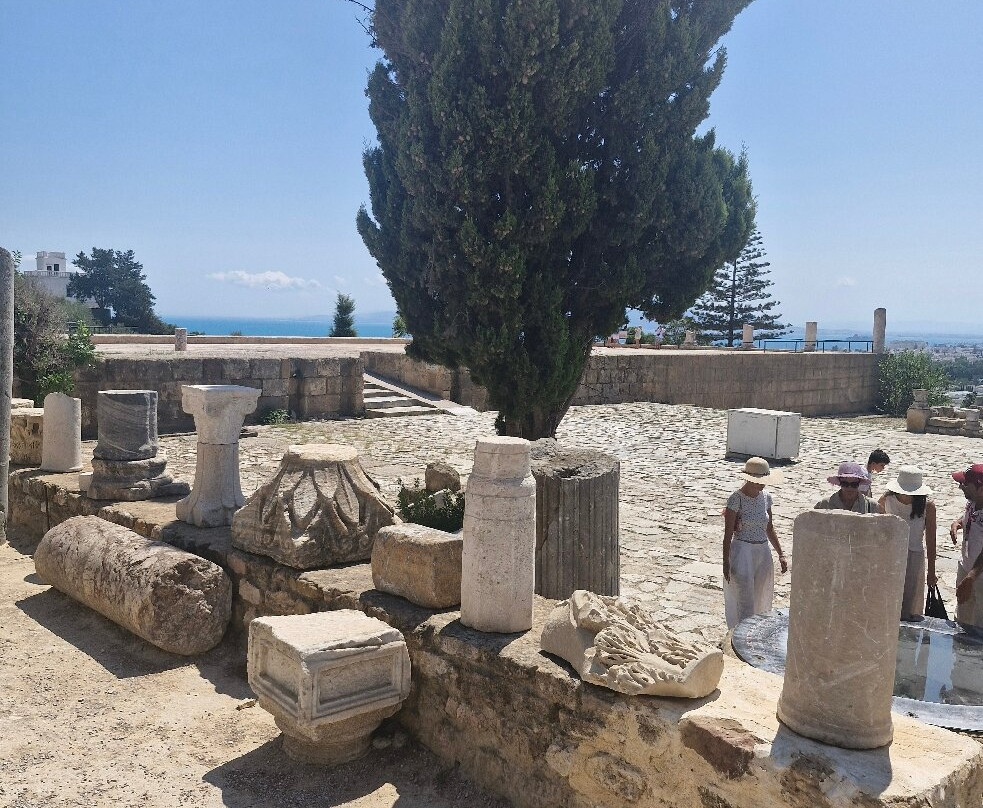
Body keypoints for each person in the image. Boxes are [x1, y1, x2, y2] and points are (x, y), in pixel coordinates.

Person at [723, 457, 787, 629]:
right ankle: (740, 635)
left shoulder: (766, 498)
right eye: (758, 480)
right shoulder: (736, 499)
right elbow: (728, 534)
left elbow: (769, 528)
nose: (762, 484)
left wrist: (781, 554)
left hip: (762, 551)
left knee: (760, 596)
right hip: (742, 551)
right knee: (745, 599)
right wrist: (726, 561)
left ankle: (755, 634)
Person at [878, 466, 936, 620]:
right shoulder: (886, 501)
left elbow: (931, 540)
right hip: (890, 556)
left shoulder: (928, 506)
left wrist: (931, 571)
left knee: (909, 602)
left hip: (913, 558)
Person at [951, 464, 983, 628]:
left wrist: (972, 576)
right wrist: (958, 522)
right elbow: (969, 516)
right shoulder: (973, 501)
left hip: (978, 574)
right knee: (962, 616)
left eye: (965, 484)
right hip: (967, 567)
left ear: (980, 489)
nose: (960, 486)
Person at [815, 462, 879, 512]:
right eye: (845, 484)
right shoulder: (825, 504)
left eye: (854, 484)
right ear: (840, 483)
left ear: (859, 484)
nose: (849, 488)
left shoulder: (871, 506)